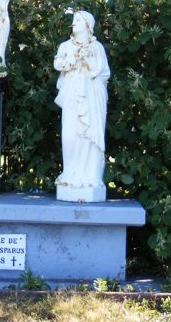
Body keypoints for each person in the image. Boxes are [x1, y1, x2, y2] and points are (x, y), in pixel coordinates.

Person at [53, 11, 110, 202]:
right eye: (73, 20)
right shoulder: (65, 46)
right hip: (72, 95)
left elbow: (103, 73)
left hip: (91, 97)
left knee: (90, 136)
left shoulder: (97, 47)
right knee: (70, 135)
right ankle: (70, 175)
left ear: (88, 25)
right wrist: (74, 58)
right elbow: (58, 64)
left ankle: (91, 178)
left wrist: (87, 58)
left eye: (78, 20)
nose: (74, 23)